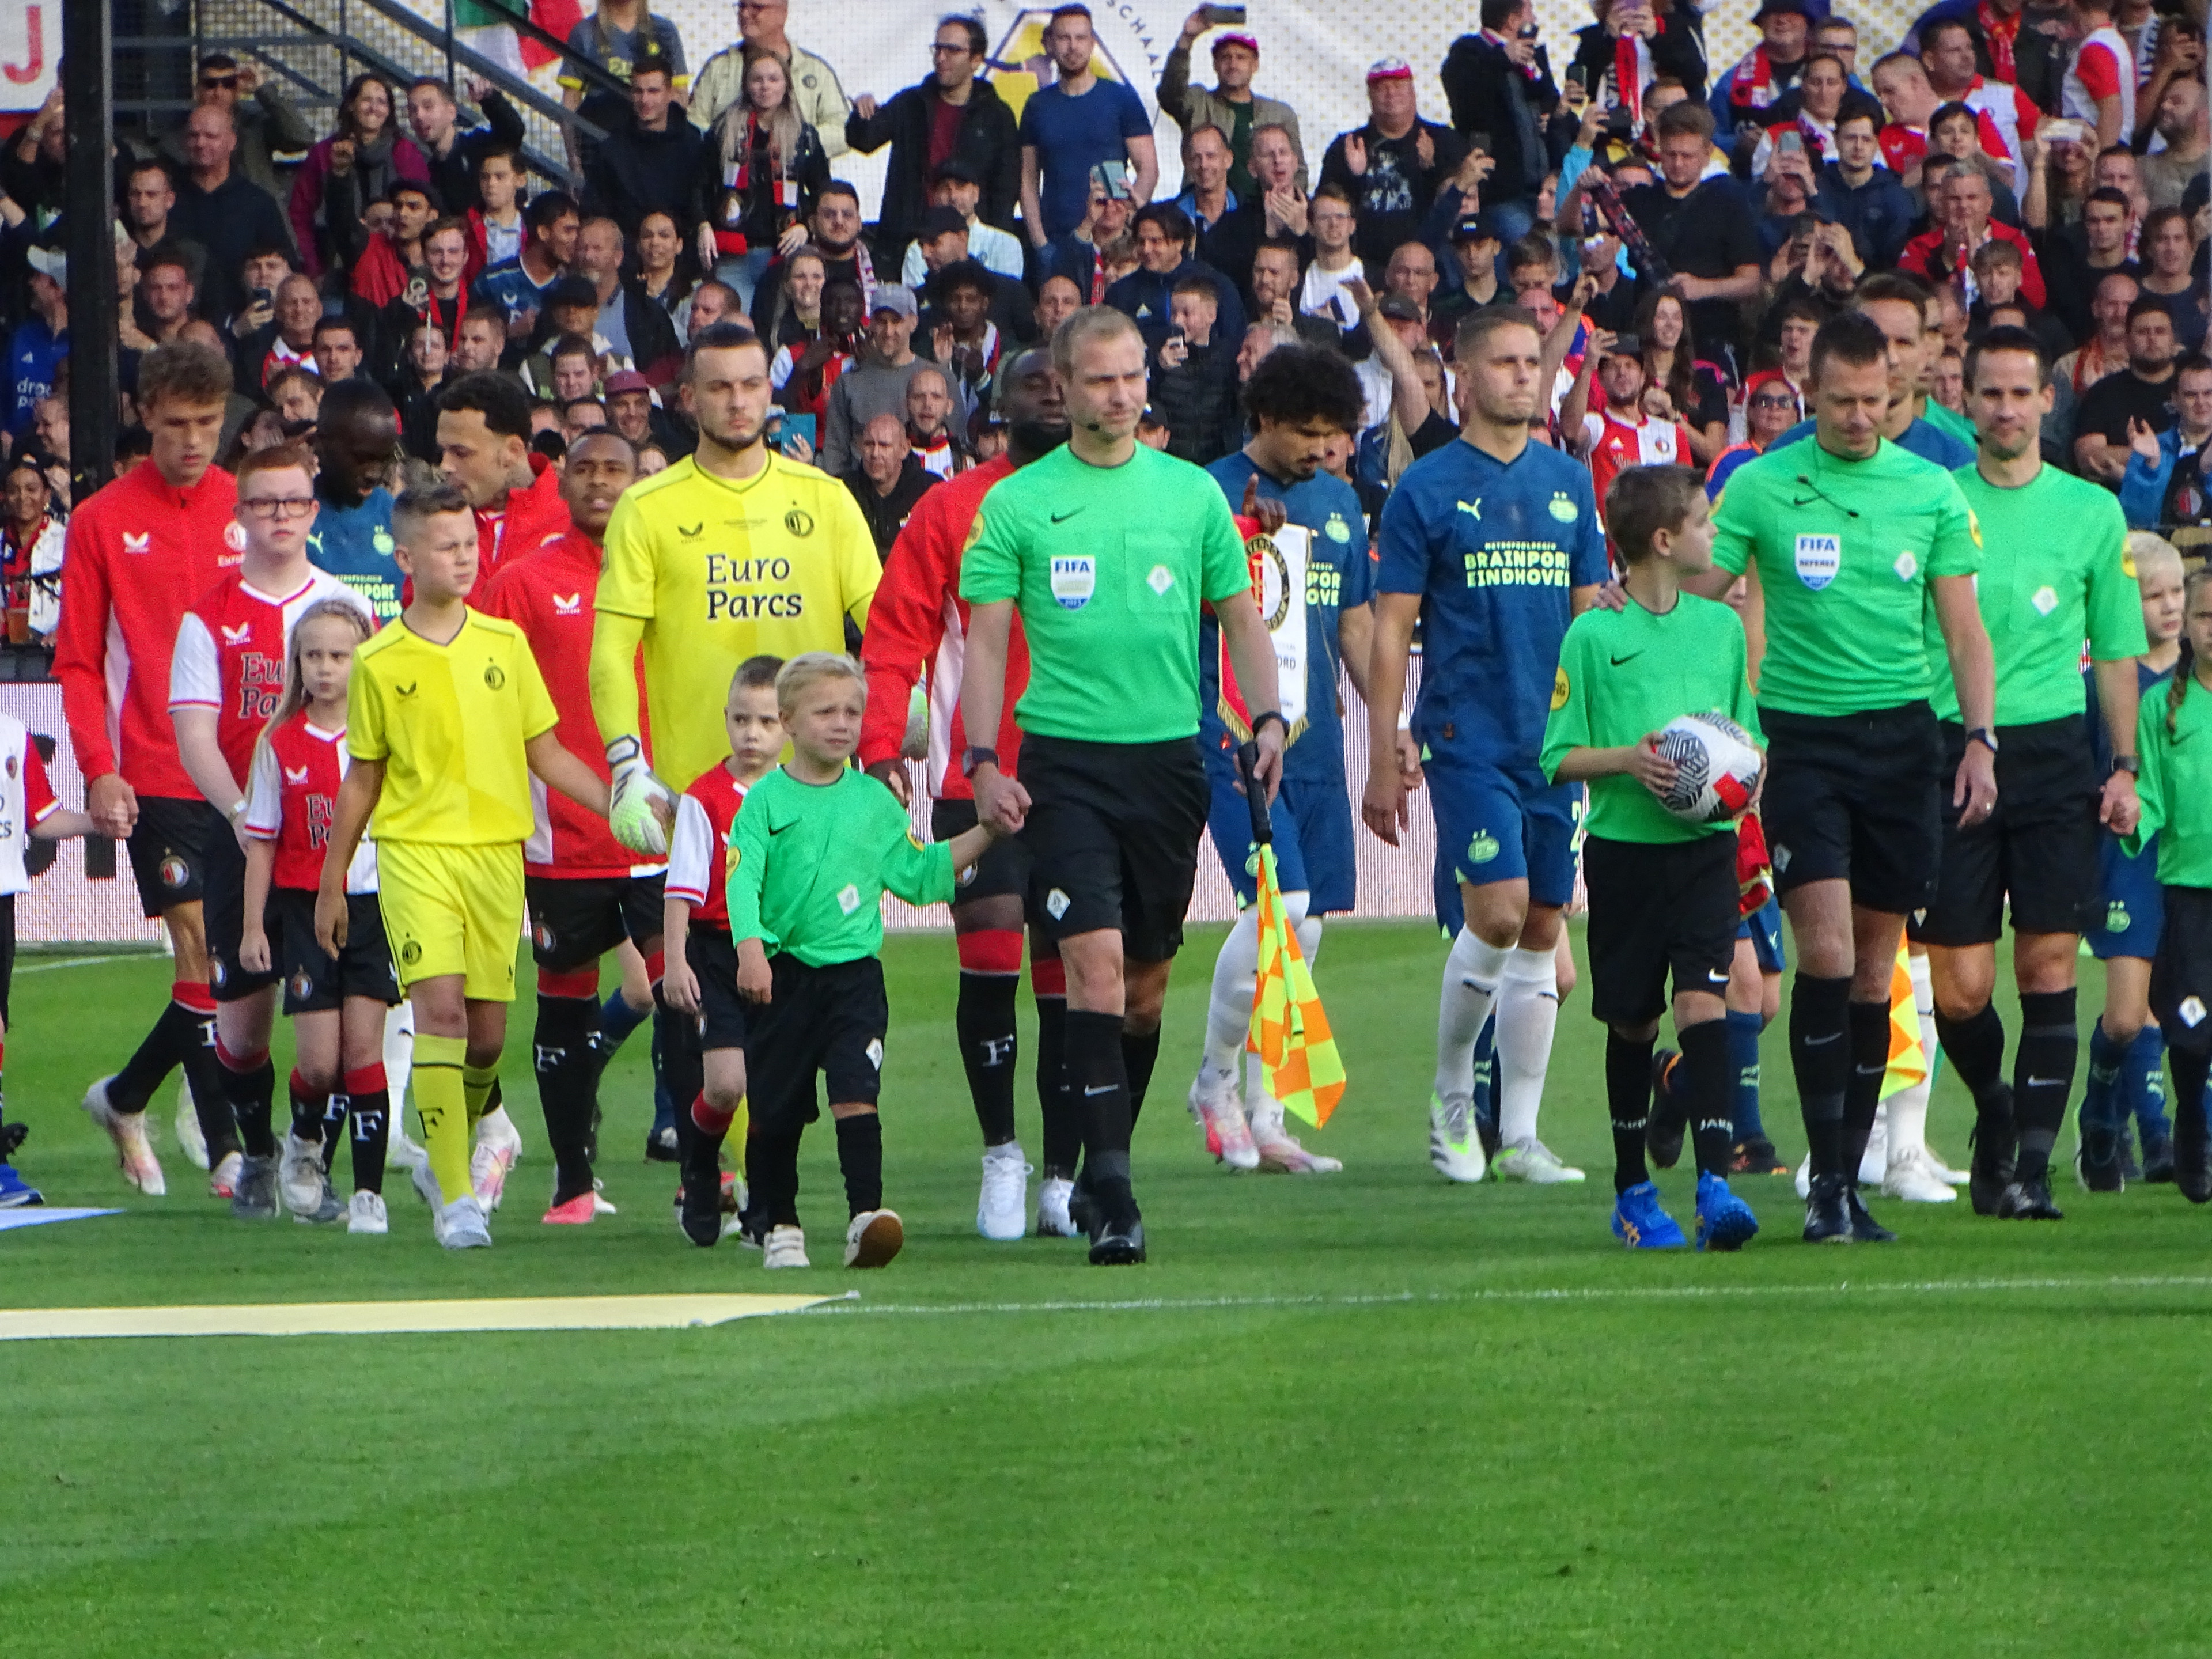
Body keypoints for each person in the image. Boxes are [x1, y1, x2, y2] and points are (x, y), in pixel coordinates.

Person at [959, 306, 1286, 1265]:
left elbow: (1242, 618)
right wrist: (984, 760)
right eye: (1099, 379)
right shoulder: (1018, 505)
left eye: (1132, 375)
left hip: (1167, 767)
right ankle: (1114, 1191)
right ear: (1061, 390)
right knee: (1091, 969)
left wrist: (1267, 718)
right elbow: (985, 640)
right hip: (1064, 764)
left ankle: (1106, 1165)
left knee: (1142, 994)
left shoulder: (1191, 498)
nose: (1119, 393)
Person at [1699, 309, 1995, 1244]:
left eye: (1879, 402)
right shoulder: (1762, 485)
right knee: (1824, 955)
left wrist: (1979, 739)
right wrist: (1630, 605)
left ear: (1901, 392)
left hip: (1906, 744)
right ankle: (1826, 1187)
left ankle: (1841, 1181)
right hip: (1802, 744)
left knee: (1875, 969)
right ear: (1808, 392)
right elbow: (1699, 582)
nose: (1862, 418)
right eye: (1842, 403)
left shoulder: (1933, 492)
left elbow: (1962, 630)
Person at [313, 482, 619, 1248]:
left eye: (470, 543)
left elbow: (544, 751)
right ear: (408, 557)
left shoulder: (504, 645)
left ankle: (455, 1142)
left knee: (485, 1040)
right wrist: (332, 880)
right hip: (416, 857)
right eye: (447, 546)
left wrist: (622, 807)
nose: (464, 557)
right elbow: (364, 776)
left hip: (496, 858)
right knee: (440, 1016)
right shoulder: (379, 660)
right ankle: (457, 1199)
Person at [1899, 327, 2147, 1220]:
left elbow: (2118, 652)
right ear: (1963, 401)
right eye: (1990, 393)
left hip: (2052, 754)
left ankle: (2034, 1171)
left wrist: (2122, 767)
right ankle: (1997, 1117)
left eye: (2021, 393)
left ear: (2050, 401)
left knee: (2047, 964)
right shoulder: (1931, 501)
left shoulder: (2093, 513)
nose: (2006, 409)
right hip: (1949, 749)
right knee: (1961, 985)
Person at [1363, 308, 1608, 1188]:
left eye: (1531, 362)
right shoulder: (1426, 488)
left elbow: (1589, 614)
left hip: (1557, 744)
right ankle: (1450, 1098)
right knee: (1497, 912)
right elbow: (1393, 630)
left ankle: (1524, 1135)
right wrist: (1387, 745)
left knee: (1544, 924)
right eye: (1503, 363)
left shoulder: (1569, 483)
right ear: (1461, 379)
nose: (1523, 376)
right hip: (1468, 736)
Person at [858, 346, 1080, 1239]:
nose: (1055, 394)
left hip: (1083, 783)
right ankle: (1002, 1155)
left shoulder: (1117, 495)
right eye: (1037, 383)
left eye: (1068, 380)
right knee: (991, 967)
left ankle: (1064, 1174)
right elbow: (894, 635)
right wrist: (879, 750)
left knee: (1074, 982)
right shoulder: (950, 508)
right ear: (998, 404)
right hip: (976, 777)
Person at [1541, 464, 1763, 1249]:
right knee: (1633, 1021)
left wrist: (1746, 778)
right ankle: (1633, 1189)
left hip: (1707, 852)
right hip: (1626, 854)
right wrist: (1628, 762)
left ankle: (1714, 1187)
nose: (1716, 535)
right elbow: (1558, 757)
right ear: (1665, 541)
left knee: (1706, 1003)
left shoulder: (1723, 629)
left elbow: (1746, 734)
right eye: (1704, 522)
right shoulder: (1595, 634)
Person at [721, 652, 997, 1269]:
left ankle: (865, 1217)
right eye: (825, 712)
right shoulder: (762, 803)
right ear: (789, 721)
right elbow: (742, 883)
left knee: (857, 1093)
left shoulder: (875, 804)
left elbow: (920, 874)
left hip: (854, 980)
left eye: (852, 711)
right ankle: (781, 1224)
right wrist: (750, 953)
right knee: (777, 1108)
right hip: (782, 976)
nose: (842, 724)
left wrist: (989, 831)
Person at [168, 440, 376, 1222]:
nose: (280, 515)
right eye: (264, 503)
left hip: (337, 847)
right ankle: (256, 1150)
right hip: (243, 842)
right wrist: (247, 820)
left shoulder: (349, 611)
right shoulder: (210, 613)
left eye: (293, 502)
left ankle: (309, 1153)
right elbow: (195, 734)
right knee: (244, 1029)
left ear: (313, 511)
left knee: (330, 1038)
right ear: (241, 514)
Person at [63, 344, 252, 1198]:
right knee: (201, 945)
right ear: (147, 417)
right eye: (177, 424)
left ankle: (129, 1095)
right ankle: (230, 1152)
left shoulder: (247, 511)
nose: (193, 441)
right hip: (153, 767)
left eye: (208, 425)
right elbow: (76, 661)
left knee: (241, 965)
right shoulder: (101, 519)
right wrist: (100, 769)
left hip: (246, 776)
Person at [590, 321, 880, 867]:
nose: (738, 401)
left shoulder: (827, 500)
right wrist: (627, 764)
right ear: (689, 400)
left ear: (770, 393)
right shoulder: (646, 508)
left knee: (830, 953)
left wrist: (895, 707)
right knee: (707, 953)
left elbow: (886, 628)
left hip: (814, 790)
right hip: (696, 802)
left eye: (750, 385)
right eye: (720, 388)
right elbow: (610, 651)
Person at [1184, 344, 1370, 1177]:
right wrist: (1236, 537)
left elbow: (1355, 623)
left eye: (1334, 435)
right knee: (1280, 907)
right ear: (1262, 418)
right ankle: (1214, 1081)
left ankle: (1270, 1113)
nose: (1321, 451)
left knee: (1310, 926)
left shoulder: (1341, 502)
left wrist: (1389, 728)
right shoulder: (1205, 492)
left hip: (1316, 740)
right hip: (1226, 726)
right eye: (1306, 432)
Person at [479, 429, 668, 1224]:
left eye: (614, 470)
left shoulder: (672, 573)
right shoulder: (521, 583)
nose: (597, 483)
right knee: (562, 1001)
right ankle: (573, 1182)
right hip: (564, 838)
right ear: (565, 485)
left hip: (664, 830)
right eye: (584, 470)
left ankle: (714, 1172)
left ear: (639, 479)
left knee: (687, 996)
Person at [236, 600, 396, 1233]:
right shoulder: (280, 743)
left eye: (340, 655)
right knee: (320, 1065)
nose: (326, 669)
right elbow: (264, 840)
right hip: (305, 912)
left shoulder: (386, 737)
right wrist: (254, 926)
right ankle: (304, 1140)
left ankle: (370, 1196)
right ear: (296, 665)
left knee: (364, 1055)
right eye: (314, 656)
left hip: (375, 908)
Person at [662, 653, 784, 1245]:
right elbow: (681, 888)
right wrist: (676, 960)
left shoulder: (801, 794)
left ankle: (764, 1205)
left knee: (774, 1089)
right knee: (727, 1084)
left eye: (765, 722)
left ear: (787, 724)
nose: (752, 734)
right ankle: (701, 1165)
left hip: (782, 954)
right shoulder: (704, 799)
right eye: (741, 721)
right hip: (717, 952)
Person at [2078, 535, 2186, 1184]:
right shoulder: (2106, 683)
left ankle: (2140, 1132)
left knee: (2178, 1009)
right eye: (2153, 596)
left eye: (2178, 593)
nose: (2170, 607)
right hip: (2126, 860)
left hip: (2190, 859)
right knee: (2125, 1016)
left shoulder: (2199, 679)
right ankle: (2120, 1123)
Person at [2122, 565, 2212, 1199]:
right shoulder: (2163, 708)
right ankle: (2192, 1128)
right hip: (2188, 889)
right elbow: (2150, 794)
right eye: (2205, 616)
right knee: (2190, 1029)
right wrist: (2130, 813)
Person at [846, 16, 1020, 259]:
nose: (941, 58)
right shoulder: (911, 102)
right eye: (938, 48)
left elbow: (1007, 188)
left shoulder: (997, 115)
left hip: (970, 246)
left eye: (953, 50)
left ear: (976, 60)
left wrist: (994, 245)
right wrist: (862, 112)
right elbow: (863, 140)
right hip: (908, 242)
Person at [1615, 103, 1762, 372]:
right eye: (1671, 154)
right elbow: (1573, 225)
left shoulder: (1730, 203)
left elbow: (1751, 282)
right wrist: (1582, 186)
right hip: (1647, 341)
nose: (1678, 164)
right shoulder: (1640, 200)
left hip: (1709, 337)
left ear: (1706, 154)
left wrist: (1703, 288)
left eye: (1688, 155)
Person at [1018, 5, 1159, 250]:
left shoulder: (1122, 98)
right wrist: (1039, 242)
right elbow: (1027, 179)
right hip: (1056, 239)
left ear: (1093, 43)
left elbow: (1148, 168)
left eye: (1081, 38)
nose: (1073, 46)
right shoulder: (1037, 105)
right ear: (1050, 44)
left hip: (1113, 244)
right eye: (1064, 38)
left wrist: (1127, 217)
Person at [1321, 57, 1471, 271]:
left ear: (1413, 91)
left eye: (1399, 86)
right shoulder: (1346, 147)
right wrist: (1355, 176)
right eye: (1382, 88)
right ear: (1370, 95)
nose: (1391, 94)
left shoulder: (1445, 141)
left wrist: (1430, 167)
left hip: (1430, 265)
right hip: (1364, 264)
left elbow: (1457, 207)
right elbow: (1328, 209)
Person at [1442, 1, 1566, 249]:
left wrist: (1553, 113)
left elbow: (1549, 102)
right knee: (1533, 249)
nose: (1535, 18)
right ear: (1512, 20)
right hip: (1502, 192)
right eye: (1530, 12)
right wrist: (1502, 58)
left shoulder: (1534, 57)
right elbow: (1468, 103)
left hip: (1544, 189)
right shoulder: (1470, 52)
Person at [435, 372, 573, 595]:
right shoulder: (435, 525)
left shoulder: (572, 521)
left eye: (460, 452)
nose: (445, 466)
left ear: (513, 451)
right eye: (443, 451)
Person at [290, 75, 430, 278]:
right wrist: (313, 268)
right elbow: (300, 214)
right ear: (350, 105)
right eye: (366, 100)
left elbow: (421, 209)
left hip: (398, 265)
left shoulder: (405, 151)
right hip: (335, 265)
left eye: (381, 102)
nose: (374, 107)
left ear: (389, 111)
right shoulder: (324, 153)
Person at [1158, 12, 1308, 200]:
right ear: (1215, 65)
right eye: (1225, 58)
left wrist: (1286, 209)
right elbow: (1169, 95)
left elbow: (1298, 171)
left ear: (1255, 65)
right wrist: (1186, 39)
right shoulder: (1199, 102)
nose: (1233, 65)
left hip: (1265, 214)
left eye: (1241, 58)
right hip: (1207, 211)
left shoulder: (1280, 114)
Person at [170, 104, 298, 294]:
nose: (201, 143)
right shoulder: (168, 198)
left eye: (211, 136)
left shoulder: (258, 202)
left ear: (232, 142)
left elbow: (284, 263)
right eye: (193, 136)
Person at [158, 53, 319, 202]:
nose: (219, 92)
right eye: (210, 84)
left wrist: (264, 90)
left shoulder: (256, 125)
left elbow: (302, 138)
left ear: (237, 90)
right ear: (197, 90)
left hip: (258, 217)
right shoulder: (176, 140)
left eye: (228, 84)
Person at [690, 0, 847, 146]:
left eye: (757, 7)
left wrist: (795, 143)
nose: (745, 14)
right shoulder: (717, 68)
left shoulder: (816, 71)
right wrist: (727, 143)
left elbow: (843, 129)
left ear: (782, 14)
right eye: (742, 6)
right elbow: (693, 124)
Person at [586, 50, 705, 245]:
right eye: (638, 91)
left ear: (669, 94)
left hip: (681, 253)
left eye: (653, 91)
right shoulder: (611, 149)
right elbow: (597, 207)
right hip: (628, 253)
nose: (645, 100)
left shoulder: (693, 144)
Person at [559, 0, 690, 175]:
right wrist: (575, 162)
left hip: (652, 152)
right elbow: (570, 103)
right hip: (602, 152)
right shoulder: (584, 33)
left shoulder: (664, 31)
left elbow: (679, 96)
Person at [821, 285, 927, 474]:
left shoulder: (937, 379)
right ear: (870, 324)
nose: (888, 331)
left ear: (914, 322)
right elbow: (836, 453)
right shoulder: (848, 383)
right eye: (881, 322)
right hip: (860, 493)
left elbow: (955, 445)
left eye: (897, 322)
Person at [2075, 301, 2181, 486]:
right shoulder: (2103, 393)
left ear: (2174, 339)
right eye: (2143, 332)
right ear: (2127, 341)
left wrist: (2130, 456)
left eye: (2160, 331)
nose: (2152, 339)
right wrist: (2155, 455)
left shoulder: (2197, 387)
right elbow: (2089, 458)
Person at [1147, 274, 1241, 466]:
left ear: (1211, 315)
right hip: (1172, 462)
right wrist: (1159, 369)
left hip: (1216, 462)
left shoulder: (1229, 356)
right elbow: (1146, 400)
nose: (1178, 321)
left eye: (1187, 313)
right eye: (1174, 313)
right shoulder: (1159, 353)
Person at [406, 75, 525, 221]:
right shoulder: (428, 169)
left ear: (451, 112)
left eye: (428, 107)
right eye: (413, 110)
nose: (419, 116)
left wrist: (490, 99)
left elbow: (513, 131)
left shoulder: (479, 142)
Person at [2120, 353, 2212, 535]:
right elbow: (2134, 523)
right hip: (2164, 556)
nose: (2201, 402)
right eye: (2191, 395)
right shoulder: (2152, 449)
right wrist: (2151, 468)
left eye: (2209, 393)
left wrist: (2208, 474)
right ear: (2175, 400)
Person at [842, 411, 937, 555]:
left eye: (884, 445)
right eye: (869, 444)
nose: (875, 453)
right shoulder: (843, 489)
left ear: (904, 449)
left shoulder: (930, 490)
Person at [0, 451, 65, 642]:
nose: (22, 497)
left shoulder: (66, 539)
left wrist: (63, 633)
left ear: (47, 496)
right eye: (14, 491)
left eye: (31, 489)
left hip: (51, 646)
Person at [8, 245, 66, 439]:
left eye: (38, 277)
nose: (31, 283)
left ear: (57, 288)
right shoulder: (24, 335)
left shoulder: (84, 344)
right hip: (16, 452)